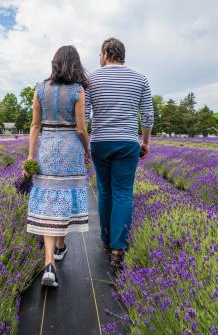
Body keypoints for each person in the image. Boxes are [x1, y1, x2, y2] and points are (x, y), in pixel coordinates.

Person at [25, 45, 91, 288]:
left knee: (48, 203)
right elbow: (81, 129)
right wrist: (87, 150)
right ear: (75, 64)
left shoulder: (40, 89)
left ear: (54, 63)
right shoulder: (77, 90)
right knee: (63, 199)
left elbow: (34, 126)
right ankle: (60, 248)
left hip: (48, 151)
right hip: (70, 152)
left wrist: (31, 157)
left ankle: (50, 261)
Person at [85, 37, 154, 268]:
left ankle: (105, 241)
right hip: (127, 142)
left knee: (105, 191)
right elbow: (147, 115)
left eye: (99, 55)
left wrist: (85, 146)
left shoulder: (92, 79)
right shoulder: (140, 78)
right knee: (123, 192)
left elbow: (83, 117)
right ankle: (118, 248)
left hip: (100, 143)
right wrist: (145, 142)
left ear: (105, 54)